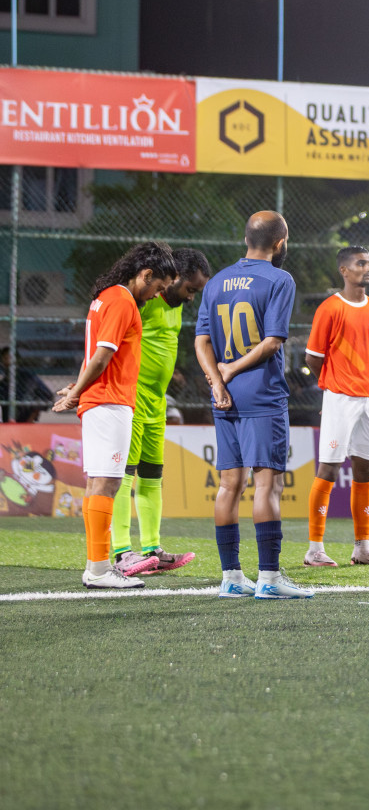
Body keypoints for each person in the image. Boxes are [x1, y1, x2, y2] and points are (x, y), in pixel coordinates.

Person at [194, 211, 312, 599]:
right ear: (280, 242)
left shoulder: (215, 282)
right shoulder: (280, 279)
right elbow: (273, 342)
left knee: (230, 484)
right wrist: (230, 371)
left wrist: (217, 380)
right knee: (268, 485)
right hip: (261, 393)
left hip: (222, 396)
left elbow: (201, 342)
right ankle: (270, 578)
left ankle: (231, 577)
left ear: (247, 238)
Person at [52, 242, 176, 590]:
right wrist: (76, 391)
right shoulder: (122, 301)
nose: (157, 295)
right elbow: (103, 356)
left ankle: (97, 567)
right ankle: (100, 569)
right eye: (158, 287)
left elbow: (94, 352)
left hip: (98, 401)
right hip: (111, 402)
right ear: (145, 274)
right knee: (107, 483)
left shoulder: (104, 297)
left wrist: (78, 387)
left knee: (97, 484)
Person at [109, 247, 211, 577]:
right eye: (190, 289)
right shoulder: (144, 301)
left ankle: (152, 549)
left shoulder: (175, 304)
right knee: (124, 477)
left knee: (153, 476)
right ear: (174, 279)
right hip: (131, 398)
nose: (192, 297)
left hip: (157, 402)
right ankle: (122, 552)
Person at [303, 246, 369, 568]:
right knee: (328, 469)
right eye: (360, 263)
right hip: (340, 398)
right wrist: (331, 389)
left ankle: (363, 548)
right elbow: (312, 357)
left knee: (365, 470)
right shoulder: (330, 308)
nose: (367, 268)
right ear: (344, 270)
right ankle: (314, 549)